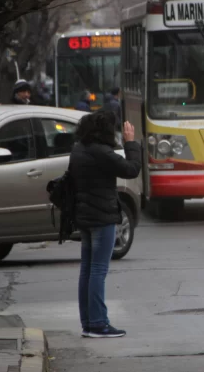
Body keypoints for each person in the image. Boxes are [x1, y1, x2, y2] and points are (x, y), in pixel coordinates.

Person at [69, 111, 141, 338]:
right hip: (102, 218)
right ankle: (99, 324)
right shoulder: (102, 152)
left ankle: (88, 323)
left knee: (87, 270)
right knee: (98, 270)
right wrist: (131, 143)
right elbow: (131, 169)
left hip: (85, 217)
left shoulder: (79, 148)